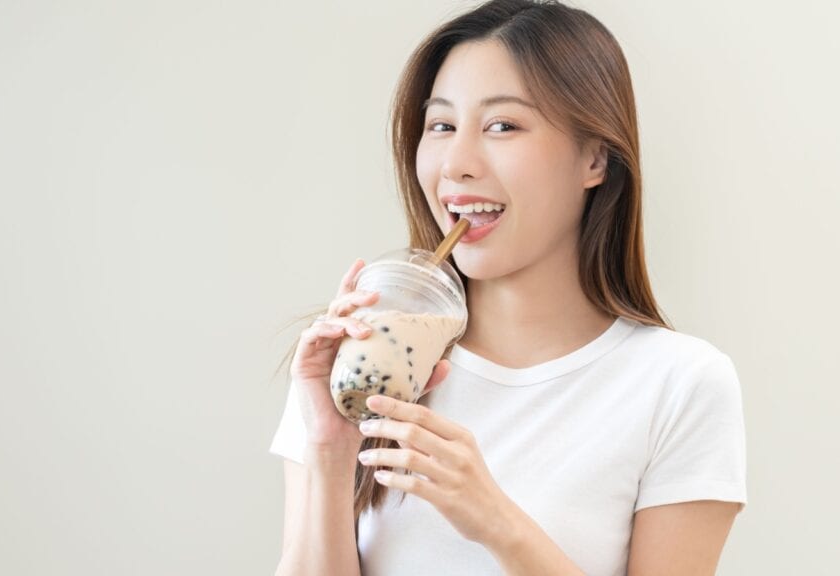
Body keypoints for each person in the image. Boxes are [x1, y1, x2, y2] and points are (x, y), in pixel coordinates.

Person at [269, 1, 747, 574]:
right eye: (441, 125)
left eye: (502, 126)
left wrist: (494, 520)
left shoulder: (680, 384)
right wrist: (328, 450)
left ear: (595, 158)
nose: (457, 164)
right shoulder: (363, 358)